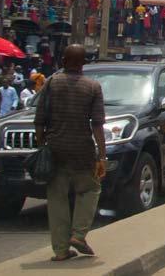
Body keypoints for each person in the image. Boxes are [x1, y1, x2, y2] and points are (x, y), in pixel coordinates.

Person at [34, 44, 105, 261]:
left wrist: (41, 147)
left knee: (57, 198)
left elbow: (39, 120)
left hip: (55, 149)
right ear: (83, 64)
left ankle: (61, 250)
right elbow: (97, 124)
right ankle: (79, 234)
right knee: (90, 190)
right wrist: (102, 155)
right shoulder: (93, 87)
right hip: (82, 150)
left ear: (63, 61)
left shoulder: (51, 83)